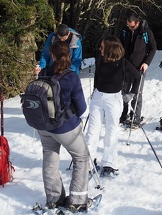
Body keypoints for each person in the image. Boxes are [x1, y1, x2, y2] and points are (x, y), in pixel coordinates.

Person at [37, 41, 89, 212]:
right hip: (64, 127)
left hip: (44, 125)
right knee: (81, 158)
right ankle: (78, 201)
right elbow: (81, 107)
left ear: (52, 56)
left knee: (50, 158)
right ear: (70, 55)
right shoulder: (71, 76)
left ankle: (54, 200)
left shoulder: (43, 73)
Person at [86, 36, 141, 176]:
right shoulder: (99, 60)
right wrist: (94, 90)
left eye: (102, 47)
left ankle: (109, 163)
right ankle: (87, 163)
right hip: (98, 97)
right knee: (92, 131)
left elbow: (137, 76)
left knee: (111, 131)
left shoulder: (123, 63)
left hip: (114, 99)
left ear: (110, 49)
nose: (100, 49)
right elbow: (97, 77)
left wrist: (132, 93)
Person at [119, 13, 157, 127]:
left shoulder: (146, 32)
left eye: (132, 26)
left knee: (137, 92)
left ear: (137, 23)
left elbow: (153, 47)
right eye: (128, 25)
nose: (130, 28)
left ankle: (136, 116)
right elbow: (120, 46)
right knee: (124, 90)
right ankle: (124, 114)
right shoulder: (124, 31)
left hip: (139, 66)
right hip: (126, 65)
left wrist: (146, 63)